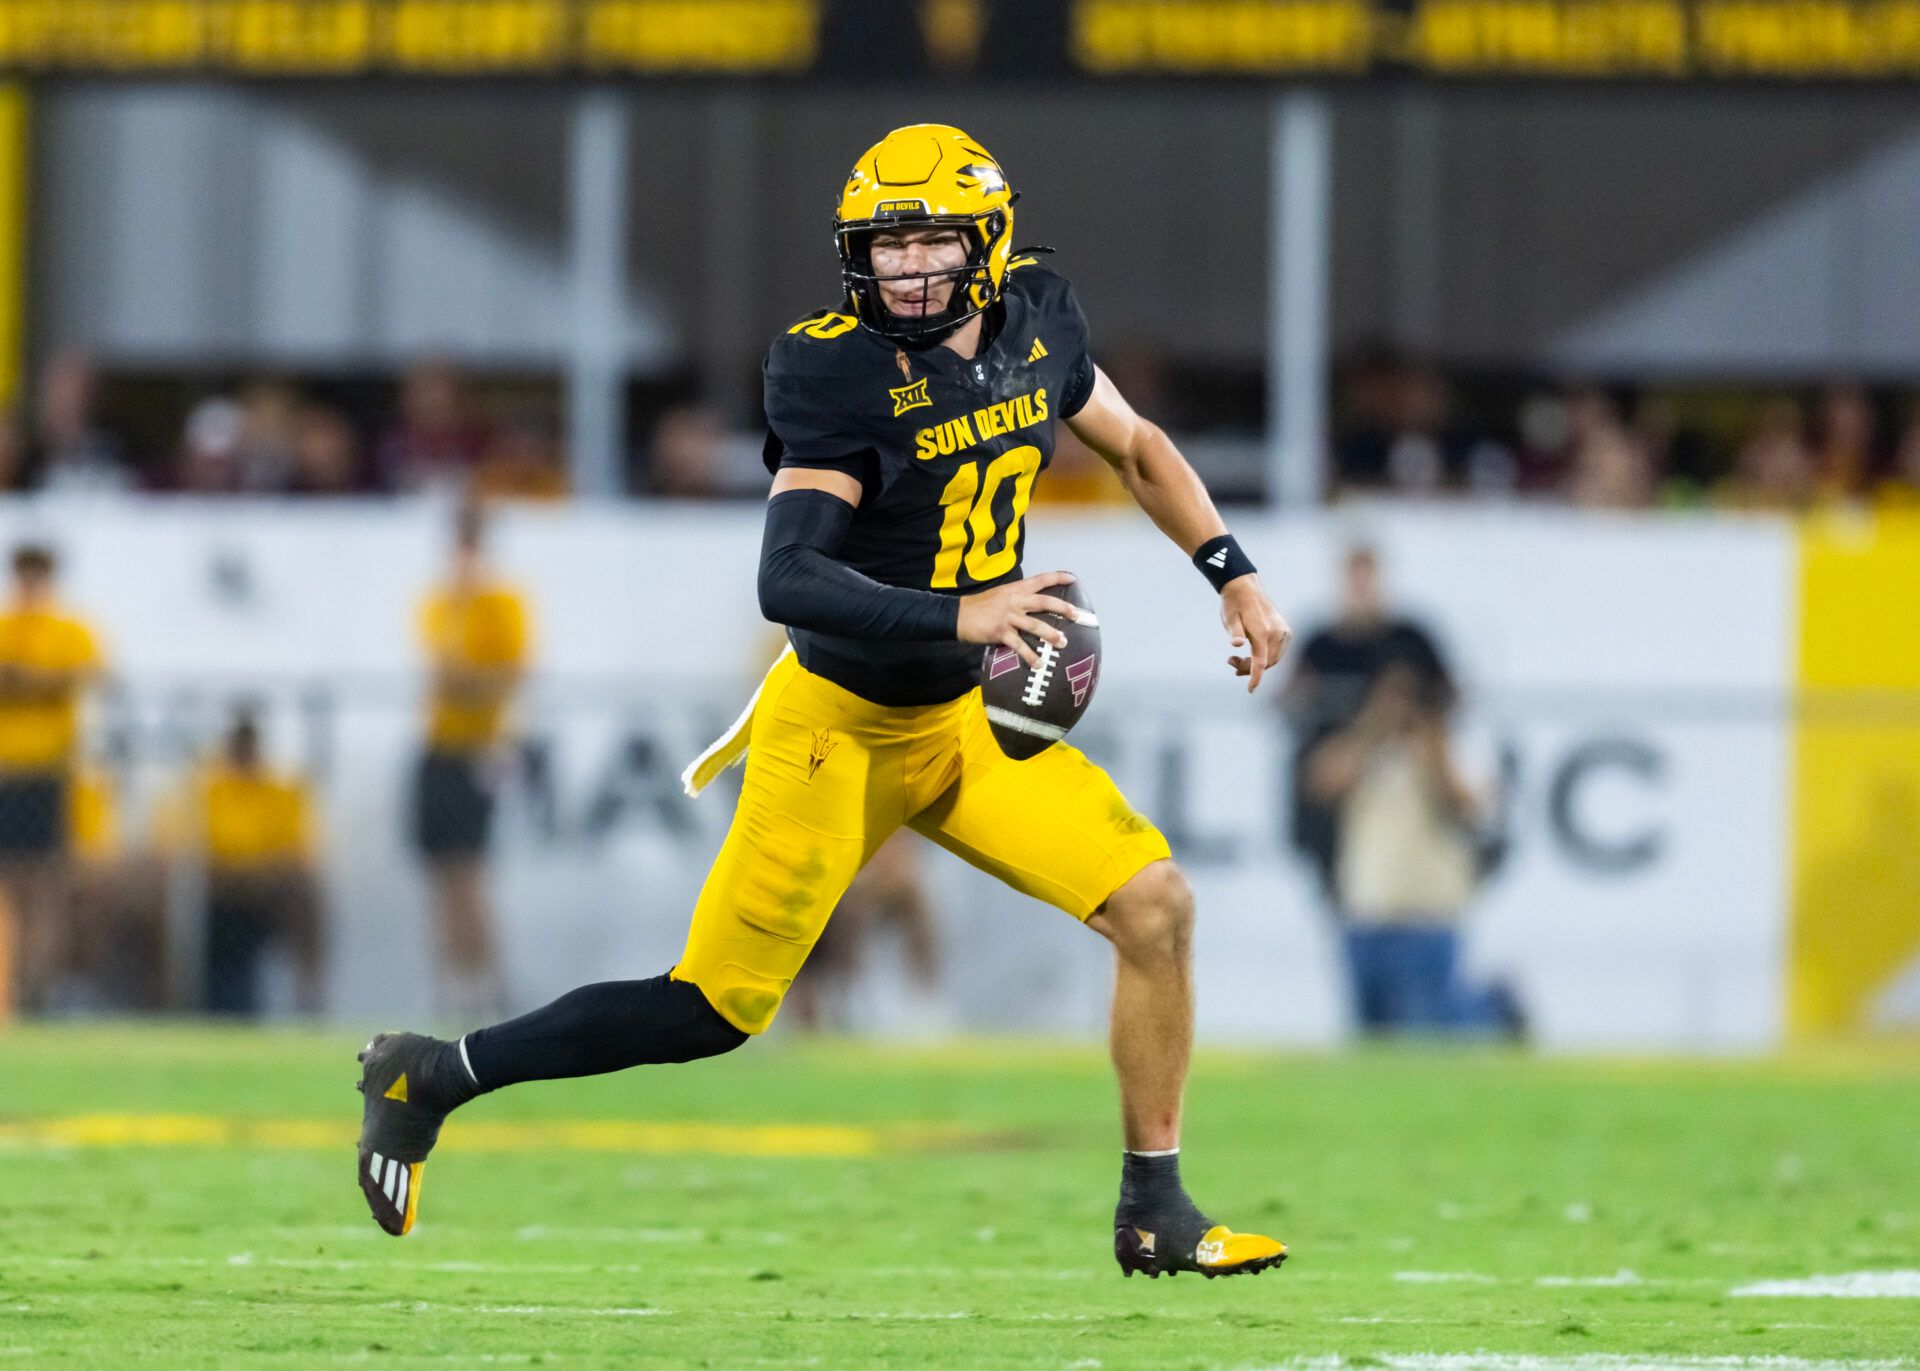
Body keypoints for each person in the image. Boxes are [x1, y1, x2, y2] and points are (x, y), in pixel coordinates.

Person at [353, 125, 1292, 1279]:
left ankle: (1156, 1212)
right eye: (883, 244)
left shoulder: (1041, 317)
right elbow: (788, 575)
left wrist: (1231, 570)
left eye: (929, 240)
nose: (903, 268)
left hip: (965, 724)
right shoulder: (838, 366)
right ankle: (433, 1075)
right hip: (836, 726)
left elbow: (1138, 448)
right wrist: (967, 612)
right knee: (708, 1012)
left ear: (987, 244)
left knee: (1155, 907)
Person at [1306, 662, 1519, 1036]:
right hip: (1367, 913)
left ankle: (1496, 1011)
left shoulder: (1458, 744)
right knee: (1372, 1044)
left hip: (1427, 917)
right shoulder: (1364, 750)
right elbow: (1323, 783)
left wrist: (1430, 739)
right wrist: (1373, 728)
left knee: (1429, 1034)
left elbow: (1466, 806)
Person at [412, 505, 532, 1017]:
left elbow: (501, 679)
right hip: (441, 746)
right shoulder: (442, 601)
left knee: (468, 874)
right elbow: (445, 675)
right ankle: (451, 990)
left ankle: (486, 987)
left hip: (477, 748)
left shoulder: (501, 603)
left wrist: (469, 681)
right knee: (444, 876)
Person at [1283, 544, 1453, 906]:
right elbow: (1292, 702)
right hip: (1344, 756)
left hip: (1410, 755)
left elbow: (1447, 697)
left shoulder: (1410, 639)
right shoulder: (1322, 644)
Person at [0, 545, 104, 1013]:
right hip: (6, 772)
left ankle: (39, 986)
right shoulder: (6, 627)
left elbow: (81, 676)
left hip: (46, 774)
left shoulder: (69, 629)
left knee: (46, 885)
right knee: (11, 885)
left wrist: (25, 681)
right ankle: (12, 987)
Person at [173, 708, 321, 1015]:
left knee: (305, 894)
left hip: (266, 892)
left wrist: (257, 872)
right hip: (216, 892)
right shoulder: (205, 788)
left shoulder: (280, 791)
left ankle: (310, 1000)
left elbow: (299, 853)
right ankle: (173, 1005)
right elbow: (180, 847)